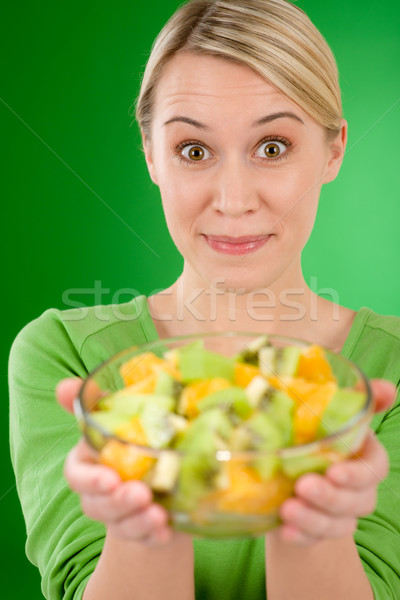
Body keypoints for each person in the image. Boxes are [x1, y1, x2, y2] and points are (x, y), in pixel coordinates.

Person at [8, 0, 400, 598]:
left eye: (272, 146)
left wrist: (315, 526)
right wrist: (145, 524)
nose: (234, 200)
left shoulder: (390, 374)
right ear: (151, 156)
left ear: (334, 150)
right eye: (194, 150)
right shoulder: (65, 356)